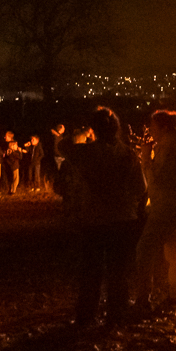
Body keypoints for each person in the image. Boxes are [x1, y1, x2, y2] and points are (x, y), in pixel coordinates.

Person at [62, 108, 146, 328]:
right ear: (117, 128)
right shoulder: (128, 154)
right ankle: (117, 315)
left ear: (95, 129)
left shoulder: (85, 153)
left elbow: (62, 146)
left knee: (91, 271)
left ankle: (86, 316)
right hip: (123, 220)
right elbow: (141, 188)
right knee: (118, 271)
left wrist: (83, 134)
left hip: (95, 220)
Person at [133, 110, 176, 316]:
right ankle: (175, 295)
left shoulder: (169, 149)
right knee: (175, 251)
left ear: (164, 127)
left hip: (166, 208)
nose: (150, 130)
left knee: (143, 251)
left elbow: (157, 180)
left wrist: (146, 159)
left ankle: (143, 298)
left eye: (153, 126)